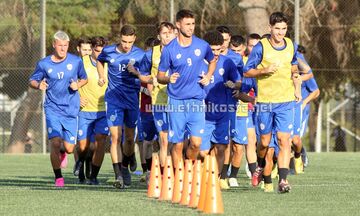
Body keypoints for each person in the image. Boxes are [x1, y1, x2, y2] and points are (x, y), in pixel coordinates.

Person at [243, 12, 302, 193]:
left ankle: (283, 180)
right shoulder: (261, 47)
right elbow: (247, 71)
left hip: (285, 101)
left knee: (284, 140)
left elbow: (293, 66)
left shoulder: (291, 45)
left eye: (284, 29)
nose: (280, 32)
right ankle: (260, 166)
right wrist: (264, 70)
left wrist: (296, 85)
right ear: (270, 28)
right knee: (264, 143)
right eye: (277, 29)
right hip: (265, 102)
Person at [157, 9, 217, 168]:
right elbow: (159, 76)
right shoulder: (169, 49)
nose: (191, 27)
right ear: (178, 25)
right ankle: (179, 178)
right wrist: (168, 78)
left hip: (196, 101)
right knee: (176, 144)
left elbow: (212, 61)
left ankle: (188, 168)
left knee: (196, 143)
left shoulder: (202, 46)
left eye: (193, 24)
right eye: (187, 24)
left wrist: (208, 75)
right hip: (176, 102)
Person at [29, 31, 88, 187]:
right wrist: (38, 85)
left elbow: (84, 78)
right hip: (52, 109)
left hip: (71, 110)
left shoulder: (76, 61)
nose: (63, 48)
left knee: (69, 148)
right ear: (54, 45)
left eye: (65, 45)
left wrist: (78, 85)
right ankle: (58, 177)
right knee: (55, 142)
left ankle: (63, 152)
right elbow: (32, 80)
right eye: (60, 45)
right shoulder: (44, 63)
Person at [97, 25, 146, 189]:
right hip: (114, 100)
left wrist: (137, 73)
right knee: (115, 137)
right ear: (120, 38)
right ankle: (118, 175)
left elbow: (146, 75)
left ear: (134, 39)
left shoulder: (140, 54)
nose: (126, 45)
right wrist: (102, 76)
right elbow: (99, 61)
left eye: (130, 42)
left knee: (130, 139)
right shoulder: (109, 51)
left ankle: (127, 161)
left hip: (132, 99)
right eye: (124, 41)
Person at [131, 22, 176, 174]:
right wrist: (152, 80)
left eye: (170, 33)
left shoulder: (183, 52)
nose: (168, 36)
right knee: (164, 140)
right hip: (159, 101)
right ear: (159, 36)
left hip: (180, 101)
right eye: (164, 33)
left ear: (175, 34)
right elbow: (143, 76)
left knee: (177, 142)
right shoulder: (151, 54)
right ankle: (164, 177)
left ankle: (177, 174)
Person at [200, 31, 241, 189]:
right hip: (203, 114)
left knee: (221, 147)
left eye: (218, 49)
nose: (216, 53)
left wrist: (234, 85)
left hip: (223, 113)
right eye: (212, 50)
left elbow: (238, 82)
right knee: (202, 151)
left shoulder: (227, 63)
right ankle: (203, 175)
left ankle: (213, 179)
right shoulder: (198, 63)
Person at [73, 36, 109, 185]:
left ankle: (93, 176)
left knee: (100, 143)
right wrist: (76, 98)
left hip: (103, 111)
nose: (99, 54)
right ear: (92, 49)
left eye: (102, 51)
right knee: (83, 146)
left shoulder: (109, 63)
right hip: (84, 111)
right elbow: (72, 83)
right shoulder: (81, 63)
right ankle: (80, 161)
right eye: (96, 50)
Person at [216, 25, 244, 189]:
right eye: (221, 39)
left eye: (226, 40)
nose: (223, 43)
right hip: (212, 104)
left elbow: (241, 80)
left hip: (231, 105)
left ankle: (224, 175)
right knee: (214, 143)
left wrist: (237, 87)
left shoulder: (236, 58)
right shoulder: (209, 55)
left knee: (229, 141)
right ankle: (216, 174)